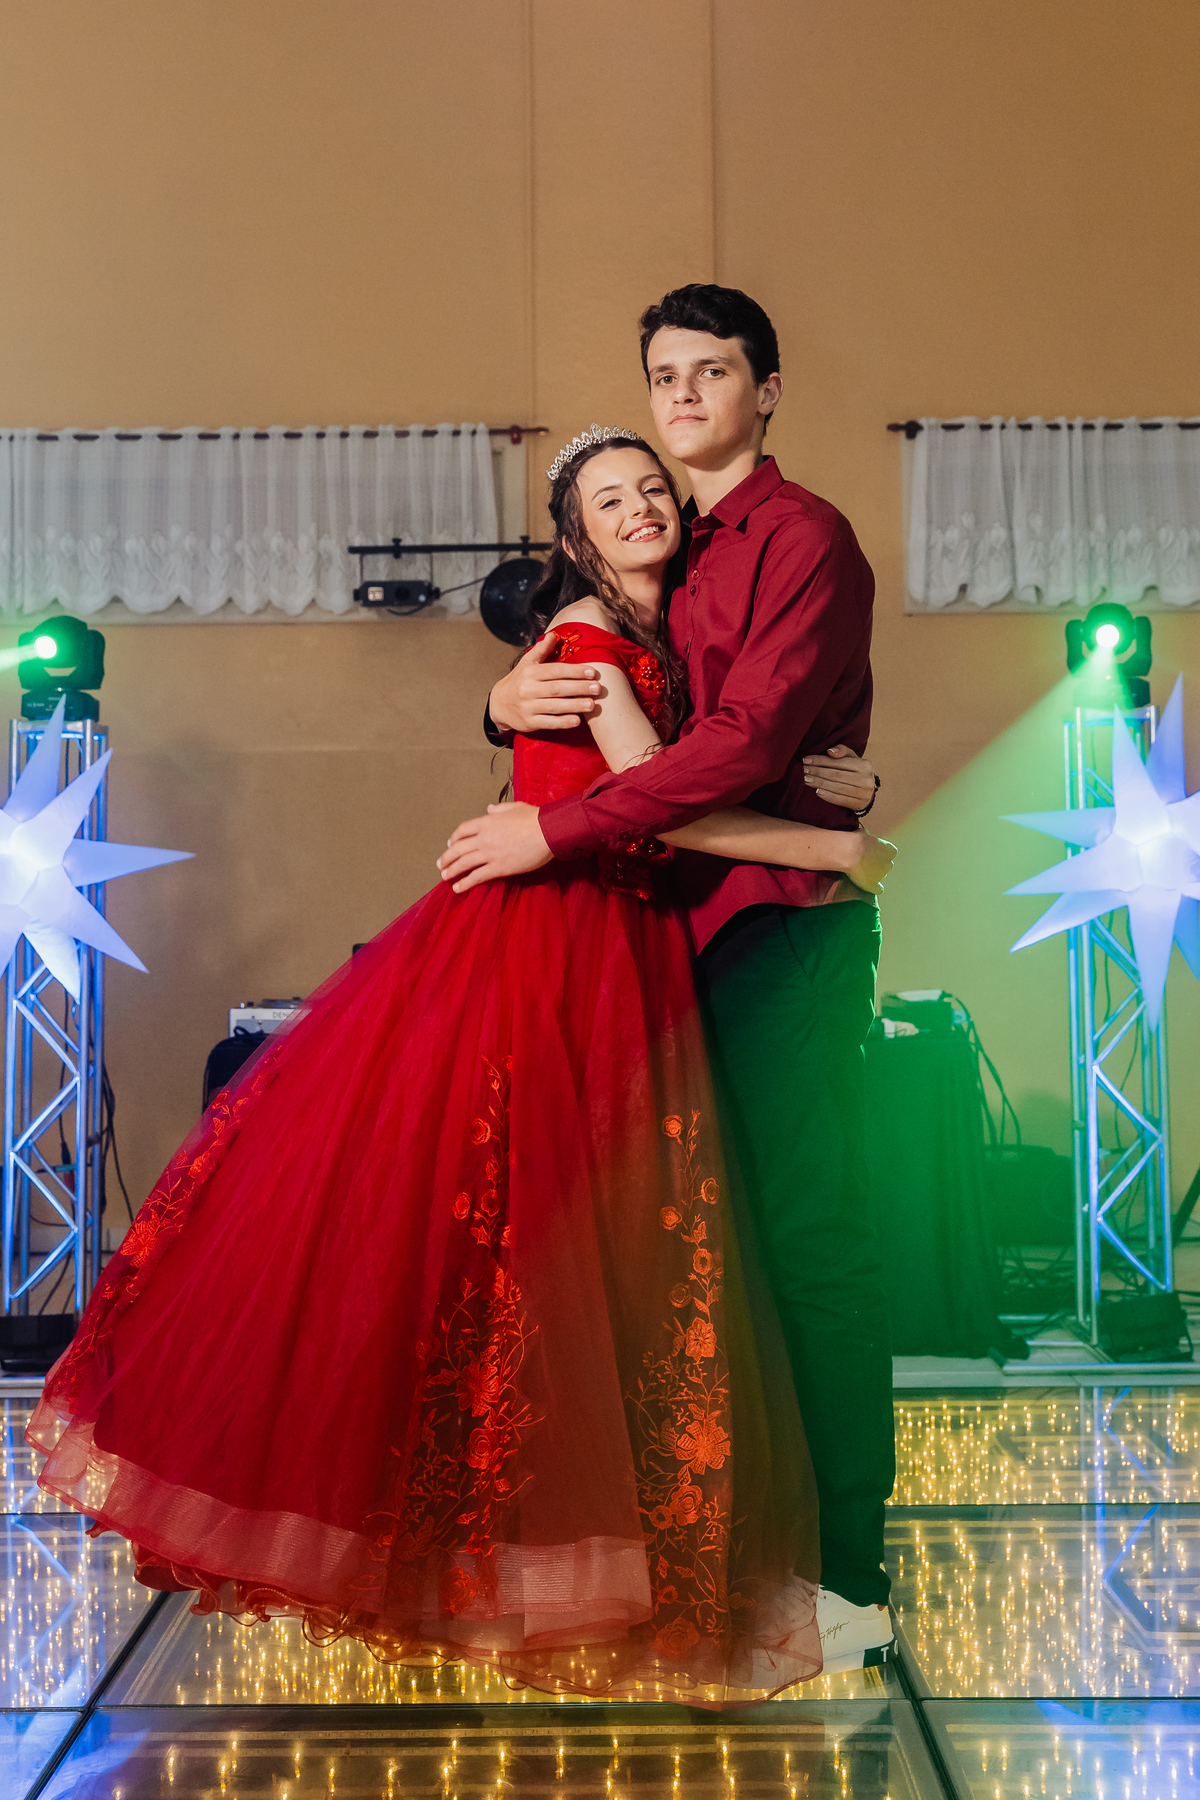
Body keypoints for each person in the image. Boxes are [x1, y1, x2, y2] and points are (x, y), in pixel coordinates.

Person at [28, 429, 892, 1706]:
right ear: (575, 538)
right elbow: (660, 798)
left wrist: (834, 787)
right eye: (610, 501)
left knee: (568, 1256)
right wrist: (839, 848)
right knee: (525, 1245)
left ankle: (542, 1550)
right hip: (559, 947)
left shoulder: (649, 637)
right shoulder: (590, 641)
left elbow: (694, 762)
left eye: (652, 490)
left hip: (610, 943)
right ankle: (509, 1553)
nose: (642, 509)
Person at [438, 285, 896, 1674]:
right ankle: (723, 1555)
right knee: (700, 1261)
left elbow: (742, 744)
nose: (685, 396)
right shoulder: (673, 555)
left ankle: (850, 1579)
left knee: (808, 1246)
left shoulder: (802, 537)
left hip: (779, 932)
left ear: (767, 389)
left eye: (713, 371)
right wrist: (498, 704)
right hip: (665, 939)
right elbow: (584, 677)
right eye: (664, 376)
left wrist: (557, 829)